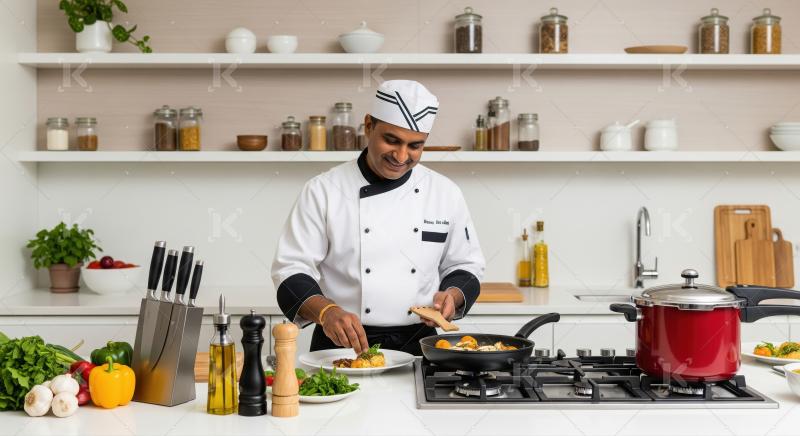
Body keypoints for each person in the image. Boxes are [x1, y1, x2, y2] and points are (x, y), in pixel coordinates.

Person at [271, 80, 485, 355]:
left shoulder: (444, 193)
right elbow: (290, 270)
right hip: (342, 343)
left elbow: (466, 266)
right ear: (369, 126)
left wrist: (452, 297)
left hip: (419, 345)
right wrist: (327, 312)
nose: (401, 156)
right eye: (392, 140)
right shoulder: (323, 190)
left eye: (415, 146)